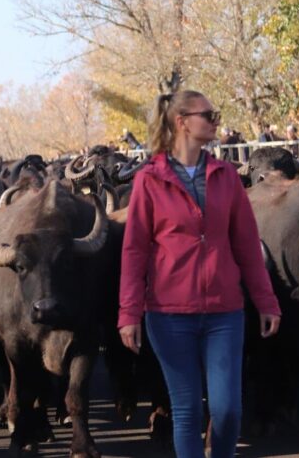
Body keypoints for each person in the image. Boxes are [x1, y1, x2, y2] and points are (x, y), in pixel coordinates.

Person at [118, 90, 281, 458]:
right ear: (182, 123)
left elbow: (247, 245)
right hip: (168, 314)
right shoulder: (149, 180)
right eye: (208, 115)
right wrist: (129, 313)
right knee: (187, 411)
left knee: (227, 410)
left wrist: (266, 301)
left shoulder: (227, 176)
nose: (215, 121)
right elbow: (134, 251)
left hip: (225, 312)